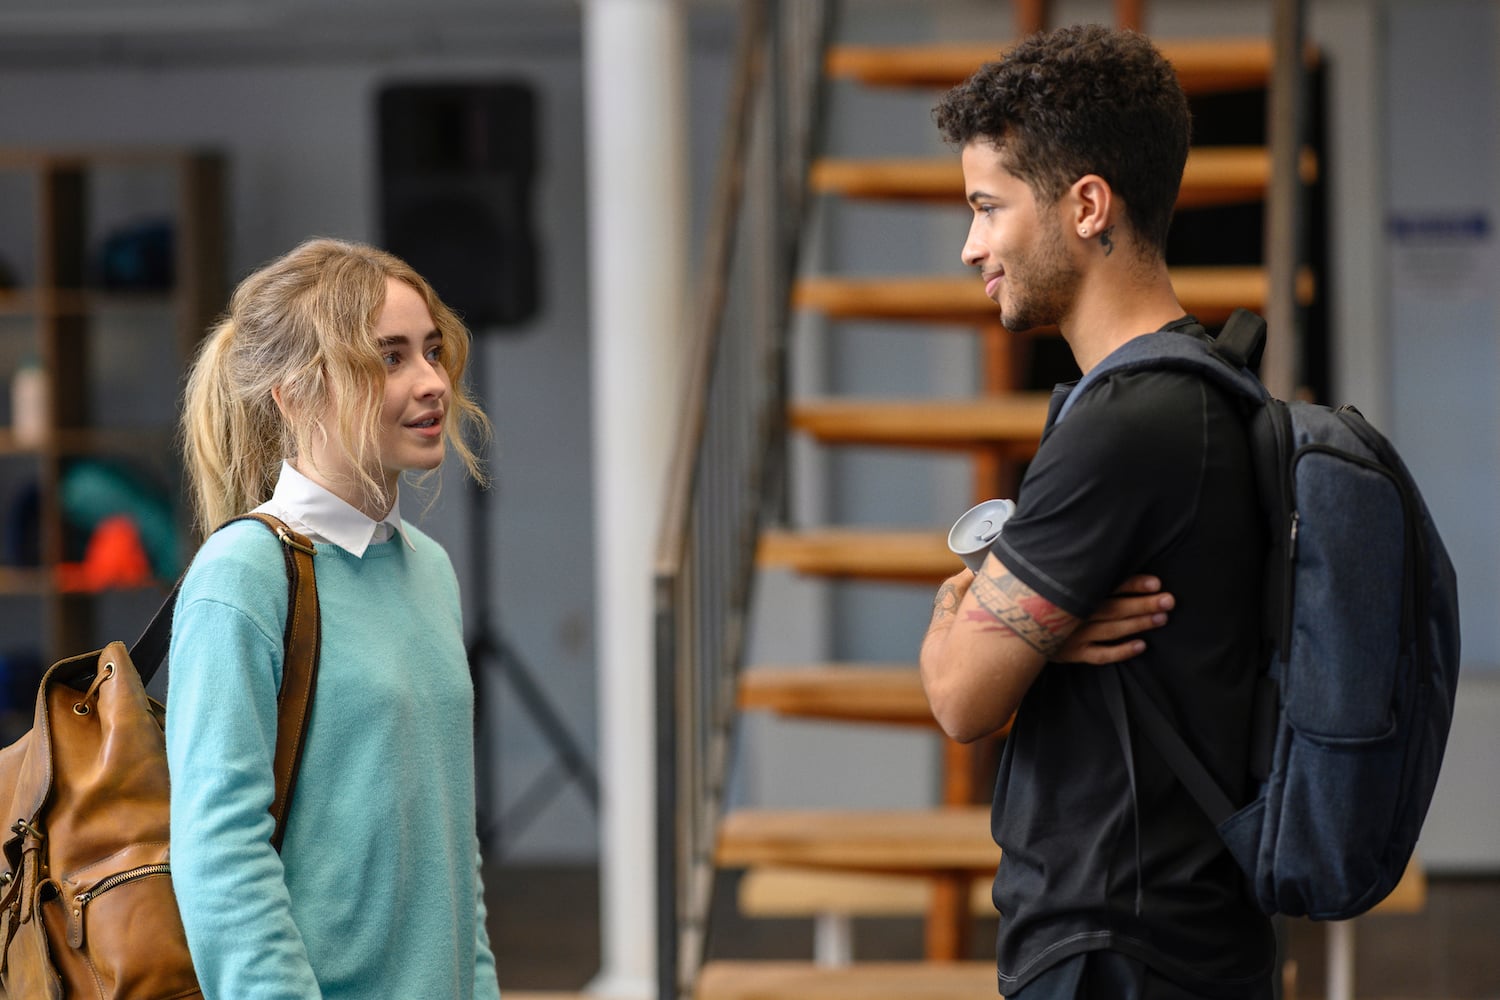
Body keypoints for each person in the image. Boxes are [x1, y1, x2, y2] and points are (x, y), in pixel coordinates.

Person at [919, 24, 1276, 1000]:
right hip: (1174, 935)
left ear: (1086, 205)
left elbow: (960, 698)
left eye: (988, 208)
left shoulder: (1124, 427)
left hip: (1117, 947)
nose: (970, 246)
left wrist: (963, 604)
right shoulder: (1200, 386)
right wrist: (1038, 627)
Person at [166, 237, 501, 999]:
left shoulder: (428, 569)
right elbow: (220, 854)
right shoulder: (243, 574)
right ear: (295, 393)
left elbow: (453, 852)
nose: (432, 383)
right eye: (388, 358)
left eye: (432, 351)